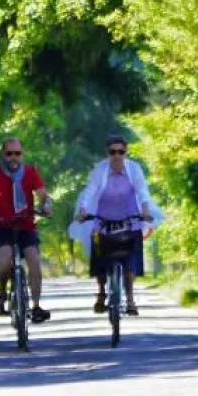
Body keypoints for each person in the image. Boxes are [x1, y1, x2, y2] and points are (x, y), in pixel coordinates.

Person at [70, 134, 162, 315]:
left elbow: (142, 190)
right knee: (100, 258)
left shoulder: (134, 169)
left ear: (126, 153)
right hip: (104, 219)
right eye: (113, 152)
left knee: (129, 264)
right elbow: (91, 190)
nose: (117, 156)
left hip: (129, 219)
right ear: (108, 154)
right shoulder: (100, 169)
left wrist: (145, 210)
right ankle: (101, 293)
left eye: (121, 152)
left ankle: (130, 300)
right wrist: (83, 209)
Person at [0, 137, 53, 322]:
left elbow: (43, 195)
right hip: (2, 225)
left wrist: (46, 205)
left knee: (34, 259)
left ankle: (35, 306)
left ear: (22, 155)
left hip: (25, 224)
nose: (13, 157)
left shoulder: (30, 172)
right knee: (5, 258)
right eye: (9, 153)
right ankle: (2, 293)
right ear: (3, 154)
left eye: (17, 153)